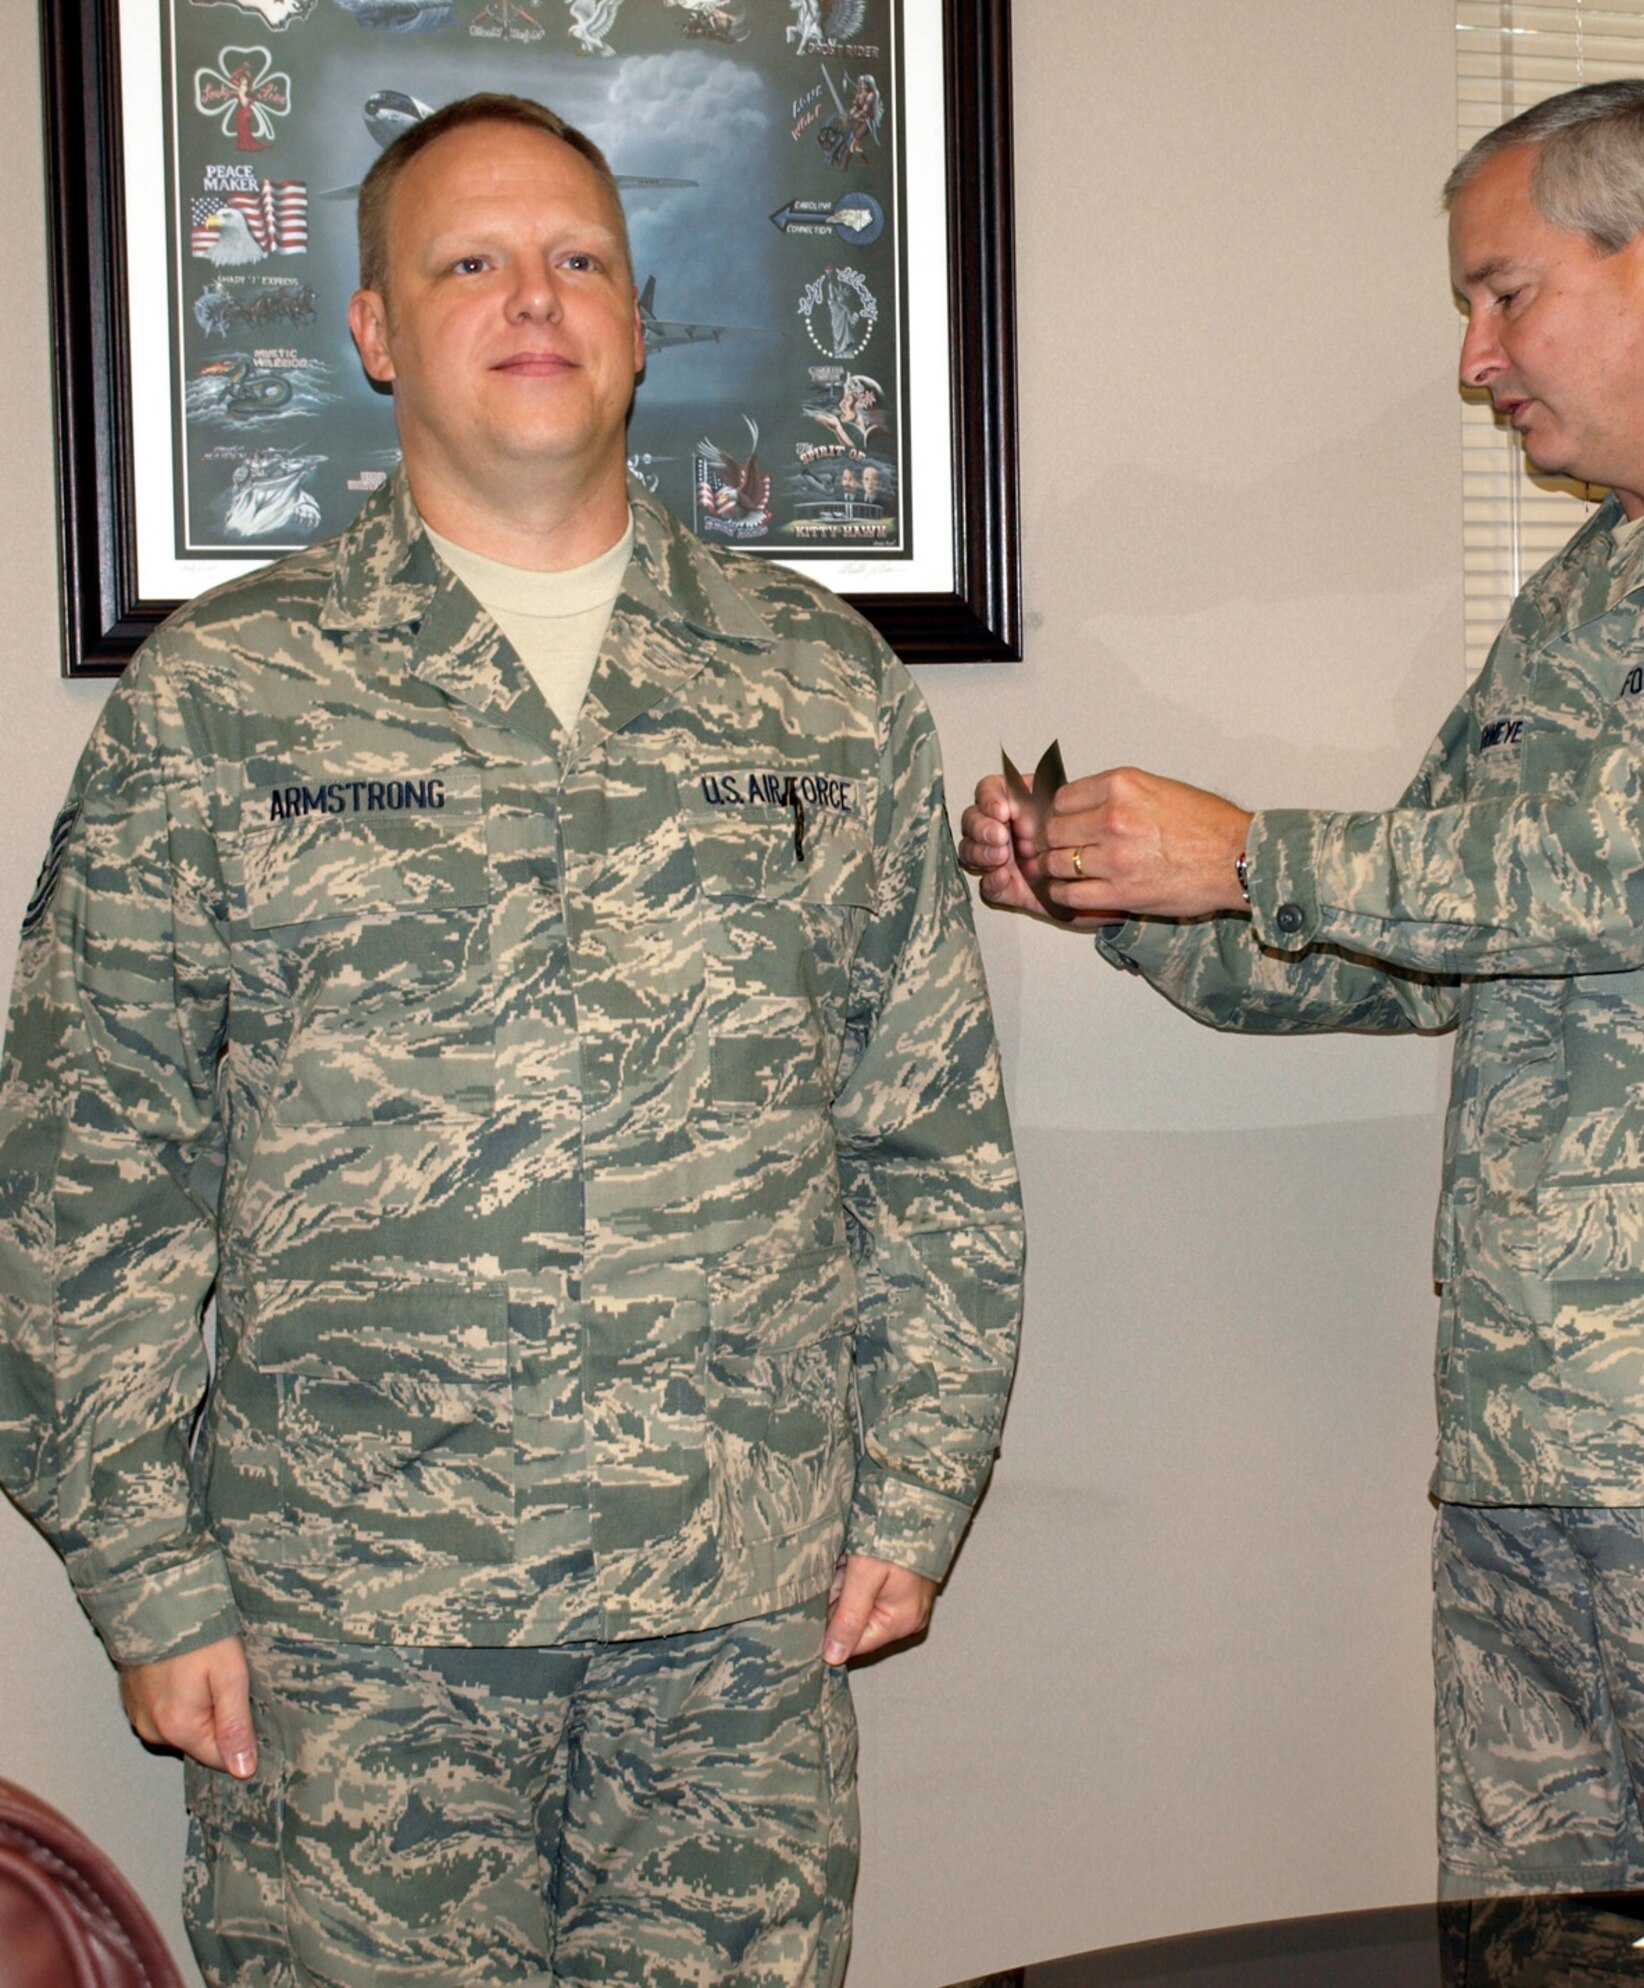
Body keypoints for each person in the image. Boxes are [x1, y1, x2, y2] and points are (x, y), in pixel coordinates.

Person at [0, 93, 1022, 1984]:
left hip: (736, 1623)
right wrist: (144, 1569)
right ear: (377, 330)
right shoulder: (223, 702)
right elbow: (89, 1172)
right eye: (468, 260)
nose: (533, 298)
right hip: (350, 1630)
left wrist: (917, 1485)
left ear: (640, 319)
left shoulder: (820, 689)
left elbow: (927, 1139)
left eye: (577, 260)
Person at [961, 78, 1644, 1896]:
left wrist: (1250, 851)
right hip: (1531, 1466)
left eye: (1506, 294)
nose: (1475, 359)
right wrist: (1117, 894)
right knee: (1536, 1962)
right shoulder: (1579, 596)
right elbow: (1414, 942)